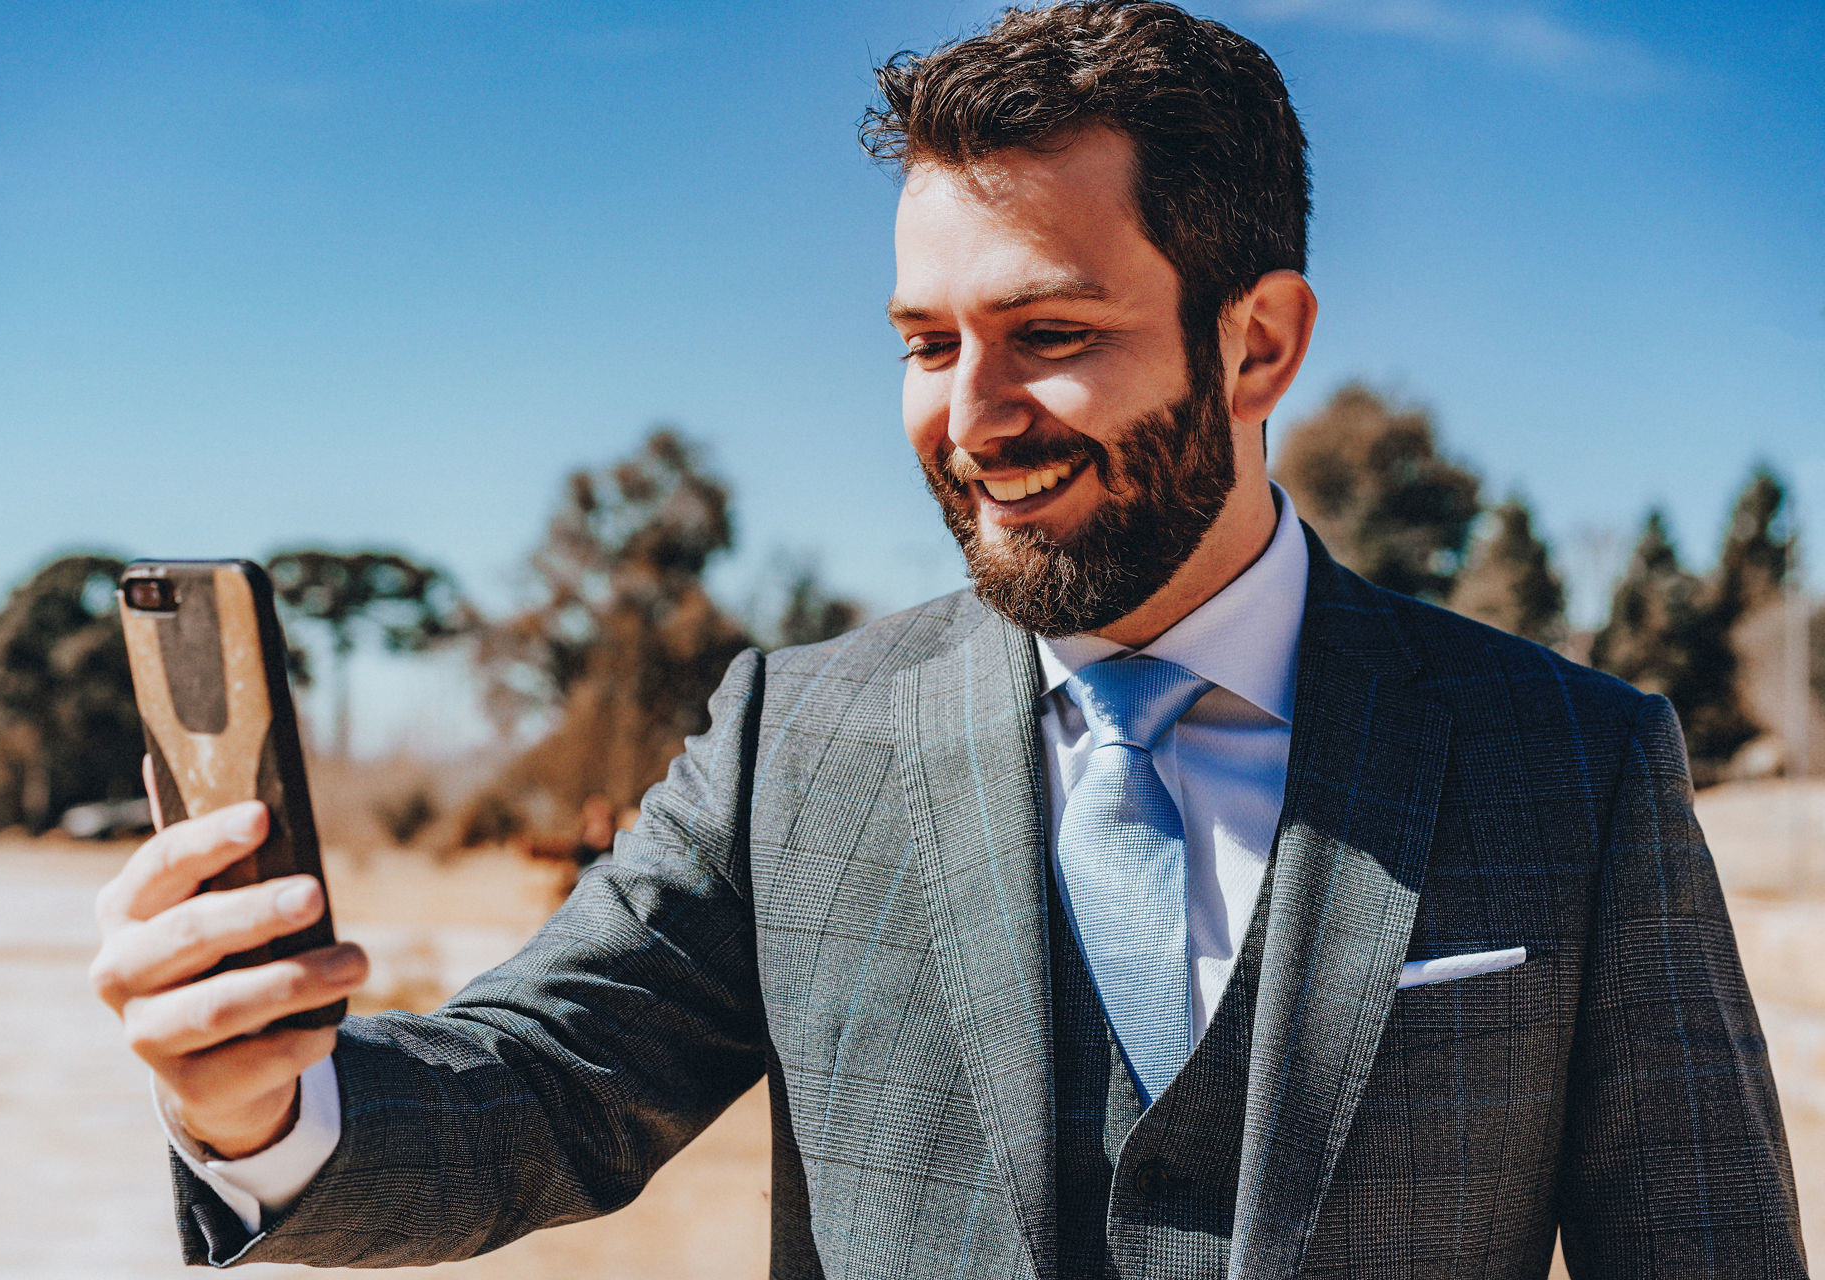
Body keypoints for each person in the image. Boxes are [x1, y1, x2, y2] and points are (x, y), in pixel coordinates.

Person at [89, 3, 1805, 1276]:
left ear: (1260, 344)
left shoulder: (1571, 763)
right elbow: (539, 1088)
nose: (972, 420)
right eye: (926, 343)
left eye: (1046, 333)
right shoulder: (793, 740)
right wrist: (258, 1105)